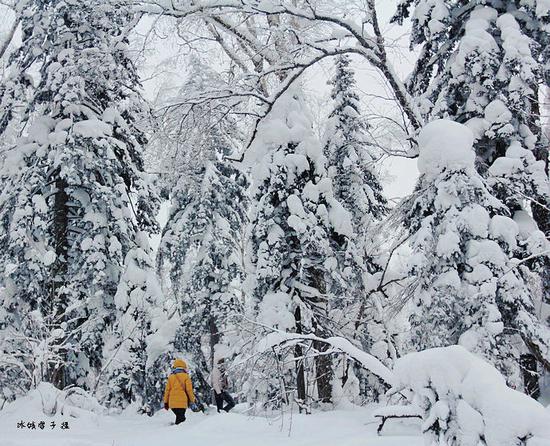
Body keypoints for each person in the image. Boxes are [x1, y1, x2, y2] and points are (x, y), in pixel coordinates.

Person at [163, 359, 197, 424]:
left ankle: (177, 430)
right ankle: (177, 432)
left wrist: (165, 402)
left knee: (180, 418)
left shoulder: (171, 377)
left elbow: (167, 391)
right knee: (181, 419)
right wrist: (192, 400)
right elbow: (189, 390)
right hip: (182, 403)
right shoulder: (186, 376)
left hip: (172, 403)